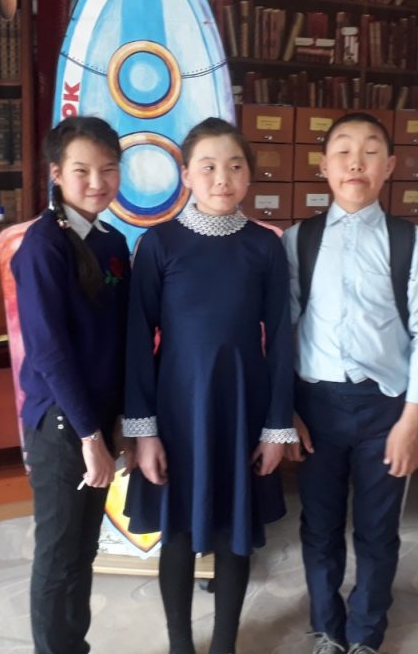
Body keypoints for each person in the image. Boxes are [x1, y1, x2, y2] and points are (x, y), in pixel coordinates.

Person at [122, 117, 297, 654]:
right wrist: (144, 432)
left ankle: (224, 644)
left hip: (242, 406)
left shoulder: (265, 246)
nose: (223, 178)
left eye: (235, 166)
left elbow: (281, 338)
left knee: (233, 534)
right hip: (177, 408)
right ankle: (180, 643)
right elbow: (137, 340)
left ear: (249, 175)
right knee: (177, 532)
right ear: (186, 175)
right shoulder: (159, 243)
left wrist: (277, 427)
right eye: (209, 166)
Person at [282, 112, 418, 654]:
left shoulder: (412, 243)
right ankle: (328, 628)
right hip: (317, 406)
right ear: (323, 165)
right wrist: (287, 411)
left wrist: (412, 422)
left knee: (377, 529)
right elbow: (281, 331)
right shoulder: (298, 241)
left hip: (385, 411)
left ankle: (366, 635)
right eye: (344, 150)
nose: (357, 162)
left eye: (371, 151)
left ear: (390, 166)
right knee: (319, 525)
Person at [11, 116, 133, 654]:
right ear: (57, 173)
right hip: (63, 424)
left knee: (84, 550)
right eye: (82, 170)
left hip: (99, 417)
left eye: (109, 169)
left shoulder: (112, 242)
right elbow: (49, 351)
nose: (97, 182)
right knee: (59, 555)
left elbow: (122, 340)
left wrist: (121, 419)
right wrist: (89, 436)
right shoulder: (42, 246)